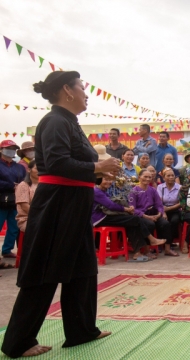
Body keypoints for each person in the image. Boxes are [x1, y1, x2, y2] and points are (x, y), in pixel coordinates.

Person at [2, 71, 119, 358]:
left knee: (83, 268)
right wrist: (96, 168)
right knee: (44, 271)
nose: (86, 93)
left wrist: (100, 173)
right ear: (67, 90)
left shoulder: (70, 122)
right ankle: (19, 341)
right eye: (82, 87)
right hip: (57, 204)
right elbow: (55, 163)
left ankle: (81, 330)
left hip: (77, 203)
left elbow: (78, 164)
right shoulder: (54, 121)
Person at [93, 175, 166, 262]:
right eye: (106, 180)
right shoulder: (97, 191)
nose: (108, 182)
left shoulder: (103, 191)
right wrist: (126, 209)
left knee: (132, 222)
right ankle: (151, 240)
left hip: (106, 215)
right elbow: (110, 206)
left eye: (110, 180)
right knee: (135, 219)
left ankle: (137, 253)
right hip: (100, 218)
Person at [130, 169, 173, 258]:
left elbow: (159, 204)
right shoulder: (133, 191)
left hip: (153, 213)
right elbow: (132, 209)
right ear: (139, 177)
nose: (147, 179)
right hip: (141, 215)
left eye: (149, 177)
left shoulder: (153, 190)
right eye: (145, 176)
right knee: (149, 225)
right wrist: (145, 216)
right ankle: (147, 250)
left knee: (166, 224)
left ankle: (168, 249)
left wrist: (159, 214)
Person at [0, 140, 26, 258]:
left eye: (13, 148)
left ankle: (7, 249)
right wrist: (11, 185)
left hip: (16, 200)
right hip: (1, 199)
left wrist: (20, 187)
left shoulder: (20, 167)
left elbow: (26, 181)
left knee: (14, 227)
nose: (11, 151)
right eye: (8, 148)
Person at [157, 168, 181, 256]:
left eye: (172, 175)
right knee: (162, 222)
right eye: (168, 175)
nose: (171, 177)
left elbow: (181, 203)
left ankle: (169, 243)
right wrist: (163, 212)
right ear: (163, 177)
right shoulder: (160, 187)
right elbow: (159, 202)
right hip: (162, 209)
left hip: (175, 209)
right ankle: (161, 242)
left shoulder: (179, 187)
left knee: (174, 221)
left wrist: (169, 209)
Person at [15, 160, 38, 233]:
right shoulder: (23, 185)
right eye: (37, 168)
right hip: (27, 218)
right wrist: (40, 214)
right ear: (29, 170)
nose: (40, 171)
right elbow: (24, 206)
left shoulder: (43, 185)